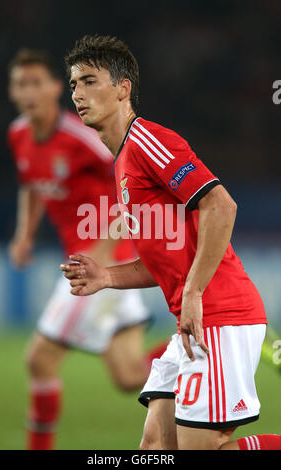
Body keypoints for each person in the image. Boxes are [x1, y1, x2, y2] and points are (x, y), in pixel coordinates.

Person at [60, 35, 281, 450]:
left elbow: (221, 205)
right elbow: (163, 261)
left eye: (89, 81)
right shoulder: (123, 161)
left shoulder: (146, 140)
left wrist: (194, 292)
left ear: (123, 88)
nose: (78, 93)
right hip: (191, 324)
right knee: (155, 450)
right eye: (73, 84)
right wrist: (106, 275)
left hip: (220, 315)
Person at [7, 48, 168, 451]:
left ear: (55, 89)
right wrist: (24, 234)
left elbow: (129, 177)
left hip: (99, 262)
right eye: (20, 84)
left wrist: (105, 245)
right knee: (130, 376)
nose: (28, 92)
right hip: (92, 261)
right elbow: (32, 183)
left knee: (39, 359)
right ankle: (195, 347)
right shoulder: (19, 134)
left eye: (36, 83)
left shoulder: (80, 137)